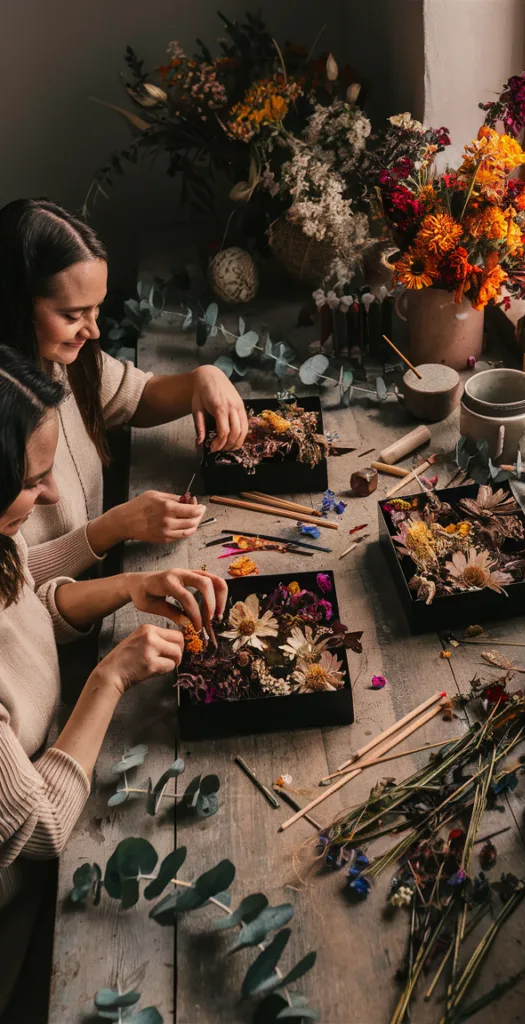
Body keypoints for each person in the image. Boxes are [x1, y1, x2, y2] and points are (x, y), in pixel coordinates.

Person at [0, 346, 227, 1018]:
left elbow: (24, 609)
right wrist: (111, 675)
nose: (48, 497)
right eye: (31, 481)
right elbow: (39, 826)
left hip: (56, 749)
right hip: (23, 917)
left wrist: (128, 584)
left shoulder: (1, 539)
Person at [0, 198, 249, 586]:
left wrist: (200, 380)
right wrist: (111, 528)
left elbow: (133, 397)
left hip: (102, 584)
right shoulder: (8, 406)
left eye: (96, 310)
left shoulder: (60, 360)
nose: (94, 331)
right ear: (15, 304)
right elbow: (13, 597)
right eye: (71, 315)